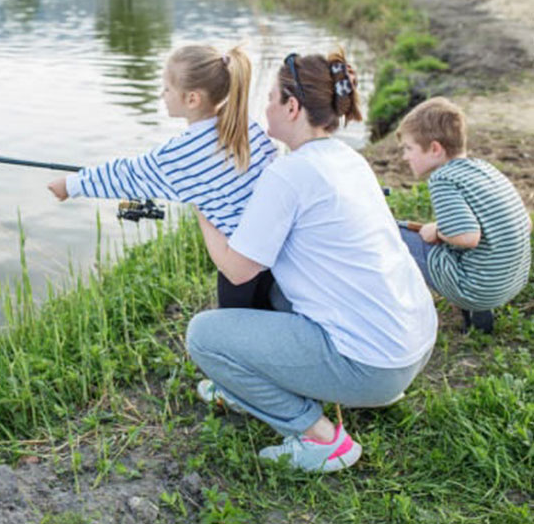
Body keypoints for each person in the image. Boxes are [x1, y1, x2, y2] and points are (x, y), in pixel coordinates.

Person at [185, 49, 437, 472]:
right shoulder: (347, 160)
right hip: (411, 347)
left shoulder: (288, 174)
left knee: (203, 336)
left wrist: (202, 208)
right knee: (275, 290)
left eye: (269, 97)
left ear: (292, 106)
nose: (264, 107)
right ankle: (245, 385)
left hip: (373, 366)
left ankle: (322, 439)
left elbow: (237, 269)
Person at [47, 44, 278, 308]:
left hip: (238, 262)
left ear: (192, 99)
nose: (162, 95)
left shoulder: (179, 154)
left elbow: (128, 175)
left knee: (238, 327)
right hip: (271, 249)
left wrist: (71, 184)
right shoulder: (247, 126)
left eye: (167, 89)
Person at [396, 97, 531, 334]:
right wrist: (445, 230)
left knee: (395, 235)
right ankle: (477, 317)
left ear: (435, 149)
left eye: (409, 148)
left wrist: (437, 231)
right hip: (509, 283)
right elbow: (526, 223)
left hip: (476, 289)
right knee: (461, 245)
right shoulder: (483, 169)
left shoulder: (443, 179)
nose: (405, 157)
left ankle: (401, 313)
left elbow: (468, 237)